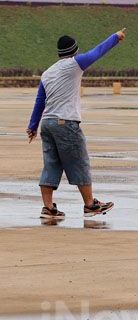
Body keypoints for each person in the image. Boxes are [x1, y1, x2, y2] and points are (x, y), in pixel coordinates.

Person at [27, 29, 126, 219]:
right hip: (66, 123)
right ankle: (90, 205)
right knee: (80, 161)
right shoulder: (74, 64)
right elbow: (97, 52)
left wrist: (32, 126)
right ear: (74, 51)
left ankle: (48, 208)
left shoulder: (48, 73)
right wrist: (116, 37)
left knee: (51, 165)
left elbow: (40, 100)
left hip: (47, 124)